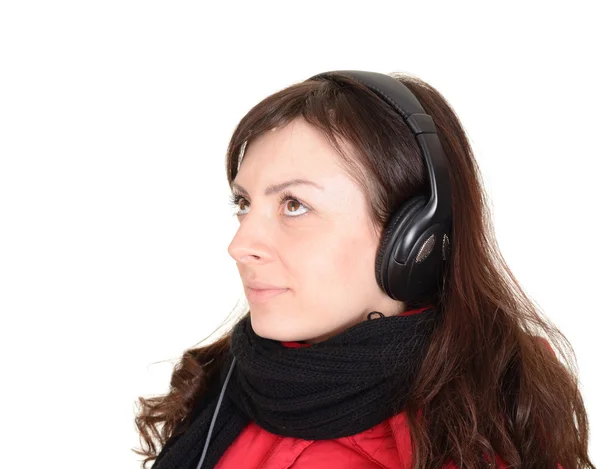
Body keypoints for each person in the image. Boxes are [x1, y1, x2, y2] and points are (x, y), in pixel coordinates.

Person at [133, 70, 595, 469]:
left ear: (414, 238)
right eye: (244, 203)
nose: (239, 246)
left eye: (294, 204)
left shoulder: (490, 431)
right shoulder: (223, 385)